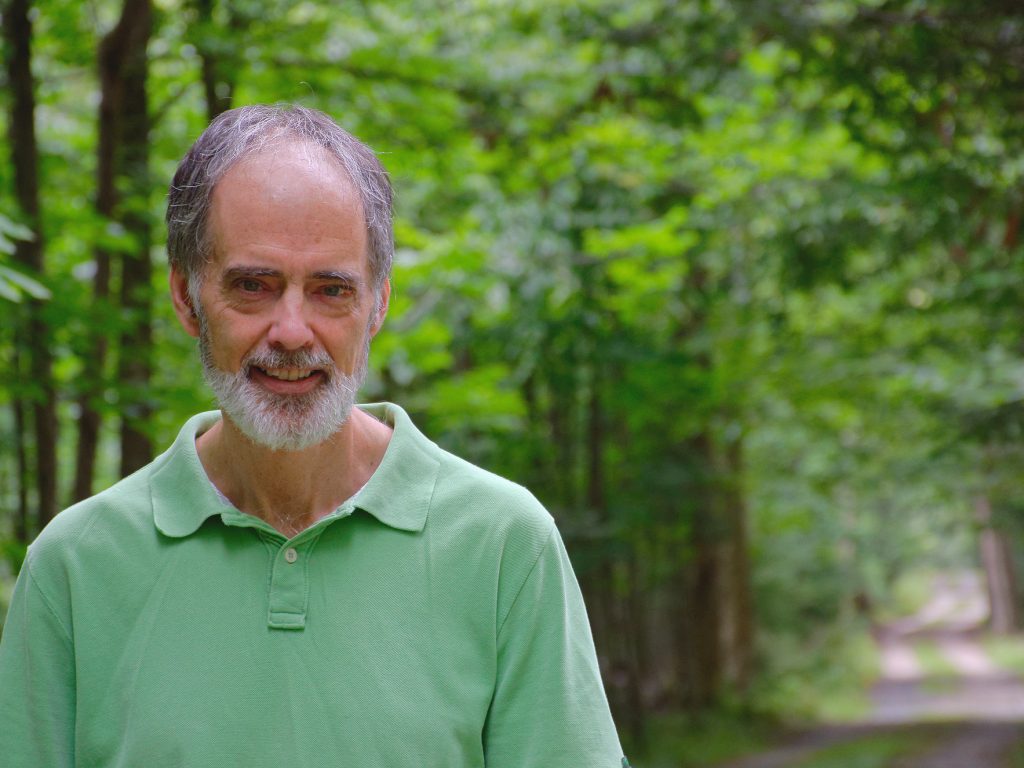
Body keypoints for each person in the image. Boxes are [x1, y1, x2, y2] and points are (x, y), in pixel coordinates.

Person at [0, 104, 626, 767]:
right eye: (253, 286)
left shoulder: (502, 545)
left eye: (331, 290)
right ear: (186, 299)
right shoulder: (72, 570)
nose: (293, 332)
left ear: (378, 302)